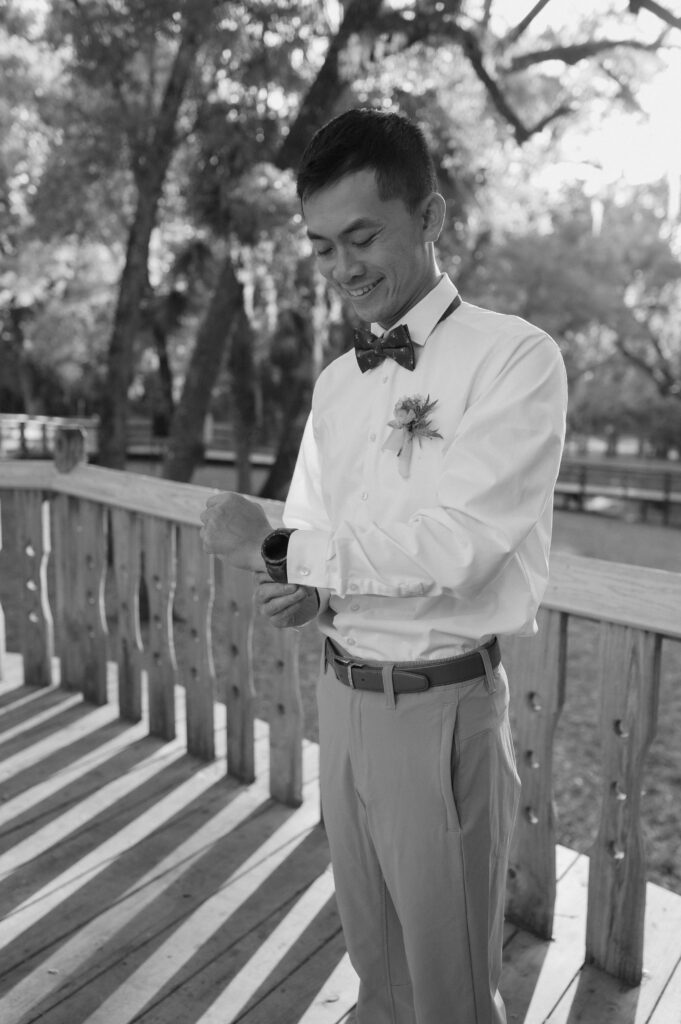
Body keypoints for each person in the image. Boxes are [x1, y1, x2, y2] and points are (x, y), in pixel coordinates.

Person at [200, 108, 567, 1024]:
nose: (342, 269)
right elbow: (318, 529)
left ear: (430, 217)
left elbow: (460, 545)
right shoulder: (334, 383)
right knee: (376, 972)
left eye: (361, 237)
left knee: (445, 992)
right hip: (342, 695)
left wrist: (279, 547)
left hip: (440, 707)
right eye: (323, 248)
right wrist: (299, 583)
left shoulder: (515, 357)